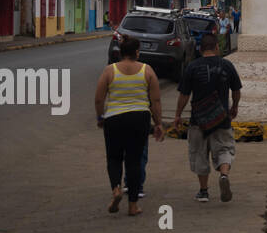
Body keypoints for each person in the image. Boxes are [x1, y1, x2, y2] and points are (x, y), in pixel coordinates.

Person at [94, 35, 164, 216]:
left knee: (114, 158)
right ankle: (133, 205)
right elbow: (155, 100)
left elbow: (99, 98)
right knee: (134, 160)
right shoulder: (147, 71)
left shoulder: (110, 71)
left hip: (114, 119)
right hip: (139, 119)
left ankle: (116, 189)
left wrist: (101, 117)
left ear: (120, 53)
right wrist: (158, 124)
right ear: (137, 52)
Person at [174, 32, 242, 203]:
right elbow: (236, 90)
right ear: (217, 47)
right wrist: (234, 106)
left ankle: (203, 191)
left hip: (199, 120)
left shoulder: (192, 67)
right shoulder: (227, 65)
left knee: (199, 154)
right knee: (225, 149)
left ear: (200, 48)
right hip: (222, 118)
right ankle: (224, 175)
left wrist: (177, 115)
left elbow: (184, 95)